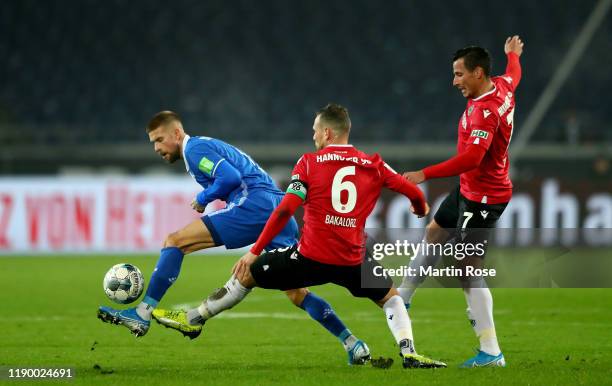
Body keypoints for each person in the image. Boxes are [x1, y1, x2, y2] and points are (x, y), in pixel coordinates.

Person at [155, 104, 446, 368]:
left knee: (247, 274)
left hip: (311, 257)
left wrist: (255, 250)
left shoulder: (308, 163)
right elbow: (411, 190)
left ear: (328, 133)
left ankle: (194, 319)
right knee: (391, 298)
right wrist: (419, 206)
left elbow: (283, 212)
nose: (314, 137)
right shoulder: (374, 165)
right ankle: (408, 352)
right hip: (352, 259)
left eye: (316, 132)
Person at [97, 111, 371, 365]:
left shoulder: (193, 149)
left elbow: (230, 177)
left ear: (177, 134)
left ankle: (142, 314)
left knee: (174, 241)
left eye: (159, 140)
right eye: (153, 142)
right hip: (276, 211)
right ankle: (352, 343)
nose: (157, 148)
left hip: (254, 204)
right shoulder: (202, 146)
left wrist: (203, 198)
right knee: (296, 291)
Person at [399, 36, 524, 368]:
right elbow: (514, 74)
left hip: (484, 197)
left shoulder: (485, 113)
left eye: (459, 74)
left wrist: (424, 174)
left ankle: (491, 351)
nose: (454, 81)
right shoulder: (501, 85)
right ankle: (404, 297)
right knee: (435, 233)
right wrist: (512, 55)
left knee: (466, 269)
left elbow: (471, 158)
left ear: (478, 73)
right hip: (468, 190)